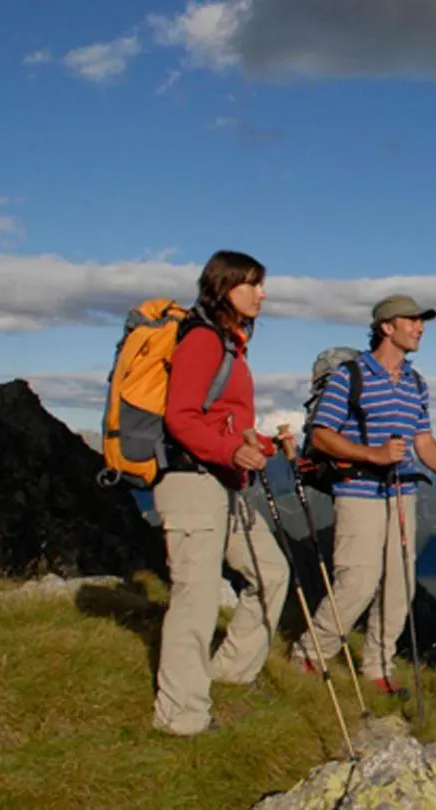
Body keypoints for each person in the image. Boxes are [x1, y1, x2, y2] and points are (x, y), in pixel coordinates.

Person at [291, 294, 436, 698]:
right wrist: (371, 454)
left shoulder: (414, 382)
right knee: (358, 580)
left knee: (400, 585)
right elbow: (321, 434)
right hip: (359, 491)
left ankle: (378, 666)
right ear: (386, 327)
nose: (420, 327)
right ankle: (310, 654)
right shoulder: (351, 376)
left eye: (421, 322)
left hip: (402, 492)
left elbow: (421, 439)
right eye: (412, 320)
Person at [152, 250, 290, 736]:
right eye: (250, 284)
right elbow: (181, 417)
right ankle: (181, 715)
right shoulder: (203, 340)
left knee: (271, 574)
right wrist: (232, 452)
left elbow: (223, 420)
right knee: (196, 598)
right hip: (191, 482)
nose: (261, 293)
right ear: (222, 286)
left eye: (261, 284)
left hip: (222, 482)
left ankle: (229, 670)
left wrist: (259, 444)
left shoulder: (231, 344)